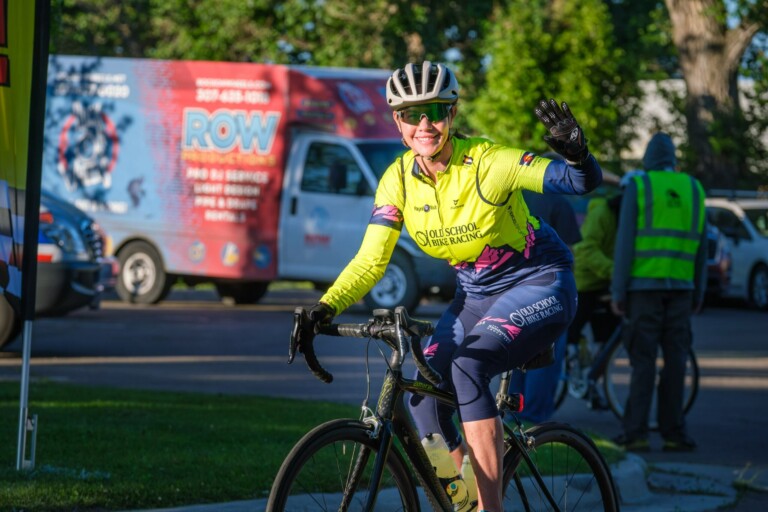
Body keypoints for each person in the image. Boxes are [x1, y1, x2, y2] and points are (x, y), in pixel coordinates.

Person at [300, 61, 603, 511]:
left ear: (453, 114)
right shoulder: (398, 179)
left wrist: (578, 156)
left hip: (541, 282)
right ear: (397, 120)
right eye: (412, 113)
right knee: (423, 399)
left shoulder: (488, 162)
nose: (425, 124)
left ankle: (489, 507)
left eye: (437, 110)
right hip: (476, 296)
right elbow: (371, 260)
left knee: (466, 369)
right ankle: (464, 501)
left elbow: (577, 182)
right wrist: (323, 309)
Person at [611, 132, 707, 453]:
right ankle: (674, 432)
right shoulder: (694, 189)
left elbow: (624, 245)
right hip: (681, 290)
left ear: (647, 160)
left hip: (642, 290)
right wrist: (699, 292)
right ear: (674, 159)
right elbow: (701, 250)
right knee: (676, 361)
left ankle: (636, 433)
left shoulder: (639, 187)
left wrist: (618, 290)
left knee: (643, 361)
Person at [509, 155, 582, 423]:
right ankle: (535, 419)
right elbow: (570, 254)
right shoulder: (560, 204)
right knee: (544, 359)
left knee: (516, 357)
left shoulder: (518, 196)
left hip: (512, 288)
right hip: (548, 289)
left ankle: (511, 415)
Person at [566, 169, 643, 409]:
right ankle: (573, 361)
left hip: (608, 282)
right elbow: (585, 249)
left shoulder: (633, 217)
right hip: (586, 281)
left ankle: (594, 383)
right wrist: (615, 271)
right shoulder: (603, 213)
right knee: (572, 331)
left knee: (607, 338)